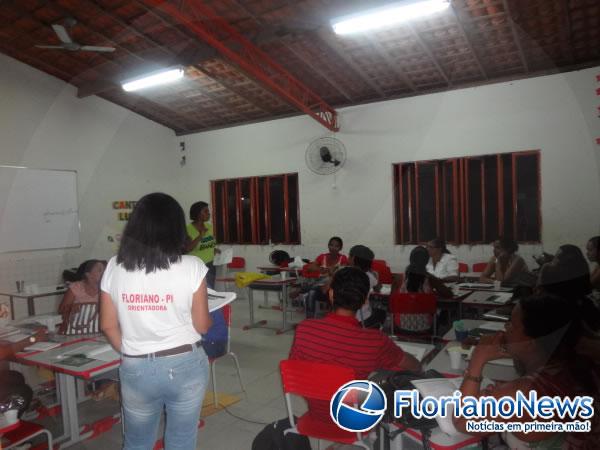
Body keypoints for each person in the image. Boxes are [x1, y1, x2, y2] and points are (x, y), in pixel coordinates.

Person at [100, 193, 212, 450]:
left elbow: (107, 325)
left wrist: (133, 350)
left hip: (136, 366)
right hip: (185, 363)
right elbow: (202, 326)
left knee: (137, 441)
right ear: (176, 228)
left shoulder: (114, 267)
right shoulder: (192, 266)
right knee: (181, 439)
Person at [453, 294, 600, 448]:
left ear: (531, 342)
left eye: (511, 325)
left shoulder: (523, 392)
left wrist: (477, 360)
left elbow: (462, 422)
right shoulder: (580, 365)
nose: (505, 328)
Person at [289, 266, 421, 423]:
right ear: (365, 300)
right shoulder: (374, 340)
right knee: (399, 381)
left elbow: (294, 369)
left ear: (331, 294)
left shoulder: (305, 328)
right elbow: (413, 366)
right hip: (354, 418)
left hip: (316, 413)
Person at [397, 246, 453, 333]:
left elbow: (392, 300)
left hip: (401, 326)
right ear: (427, 261)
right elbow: (449, 294)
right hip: (426, 327)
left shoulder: (399, 278)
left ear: (410, 259)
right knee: (442, 314)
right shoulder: (430, 278)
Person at [303, 237, 348, 319]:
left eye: (336, 246)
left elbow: (343, 271)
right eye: (331, 245)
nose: (333, 248)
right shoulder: (322, 256)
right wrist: (320, 269)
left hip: (334, 290)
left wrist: (333, 270)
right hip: (320, 288)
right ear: (328, 246)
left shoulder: (343, 258)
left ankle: (302, 289)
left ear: (340, 248)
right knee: (311, 293)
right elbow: (310, 267)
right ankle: (309, 320)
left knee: (325, 282)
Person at [348, 245, 386, 328]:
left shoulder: (343, 273)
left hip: (344, 316)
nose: (348, 258)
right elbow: (378, 289)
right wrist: (375, 275)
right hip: (362, 318)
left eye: (349, 256)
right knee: (382, 312)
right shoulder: (369, 276)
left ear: (353, 259)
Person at [58, 259, 106, 323]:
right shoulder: (75, 288)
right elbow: (61, 310)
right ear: (88, 275)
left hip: (99, 328)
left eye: (104, 270)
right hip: (76, 328)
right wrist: (70, 308)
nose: (104, 273)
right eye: (100, 270)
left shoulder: (106, 288)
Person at [186, 201, 219, 289]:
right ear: (198, 214)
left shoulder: (210, 227)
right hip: (196, 267)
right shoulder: (188, 229)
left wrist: (214, 250)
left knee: (210, 291)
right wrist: (200, 236)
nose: (209, 213)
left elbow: (210, 244)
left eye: (208, 211)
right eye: (205, 211)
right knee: (198, 292)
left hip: (210, 265)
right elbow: (187, 248)